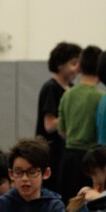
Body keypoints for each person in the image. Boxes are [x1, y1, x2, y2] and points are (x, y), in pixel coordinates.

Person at [57, 45, 103, 204]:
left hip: (68, 157)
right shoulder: (100, 97)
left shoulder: (67, 94)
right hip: (90, 158)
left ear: (80, 66)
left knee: (69, 205)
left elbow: (62, 131)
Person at [37, 41, 81, 193]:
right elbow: (49, 125)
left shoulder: (74, 89)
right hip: (52, 153)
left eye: (79, 64)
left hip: (67, 153)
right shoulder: (51, 88)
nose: (77, 68)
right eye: (73, 63)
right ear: (60, 64)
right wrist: (74, 118)